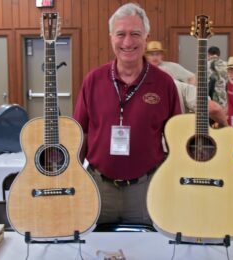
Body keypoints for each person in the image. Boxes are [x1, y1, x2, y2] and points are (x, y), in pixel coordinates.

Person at [73, 3, 181, 225]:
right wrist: (74, 176)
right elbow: (80, 132)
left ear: (146, 37)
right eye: (121, 34)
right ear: (111, 36)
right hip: (98, 188)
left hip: (146, 190)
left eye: (135, 34)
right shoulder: (93, 80)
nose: (128, 42)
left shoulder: (164, 83)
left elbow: (176, 140)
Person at [145, 41, 228, 127]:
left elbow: (192, 77)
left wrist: (190, 92)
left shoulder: (172, 67)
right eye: (152, 54)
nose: (155, 57)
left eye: (157, 54)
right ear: (147, 56)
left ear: (162, 55)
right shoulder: (142, 70)